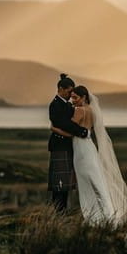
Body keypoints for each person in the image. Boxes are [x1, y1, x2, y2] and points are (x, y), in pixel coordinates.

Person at [51, 85, 127, 226]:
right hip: (89, 147)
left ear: (84, 98)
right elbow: (85, 130)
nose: (72, 100)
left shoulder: (80, 111)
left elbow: (70, 131)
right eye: (72, 97)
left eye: (75, 97)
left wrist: (55, 129)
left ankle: (95, 217)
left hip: (81, 150)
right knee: (96, 180)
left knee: (86, 183)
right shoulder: (92, 111)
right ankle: (107, 215)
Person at [47, 74, 89, 212]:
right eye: (69, 91)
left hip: (67, 147)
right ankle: (57, 215)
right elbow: (64, 124)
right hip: (59, 147)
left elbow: (68, 123)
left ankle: (61, 214)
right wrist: (82, 132)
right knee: (59, 186)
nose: (71, 94)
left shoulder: (67, 104)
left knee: (64, 186)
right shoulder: (54, 105)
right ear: (61, 88)